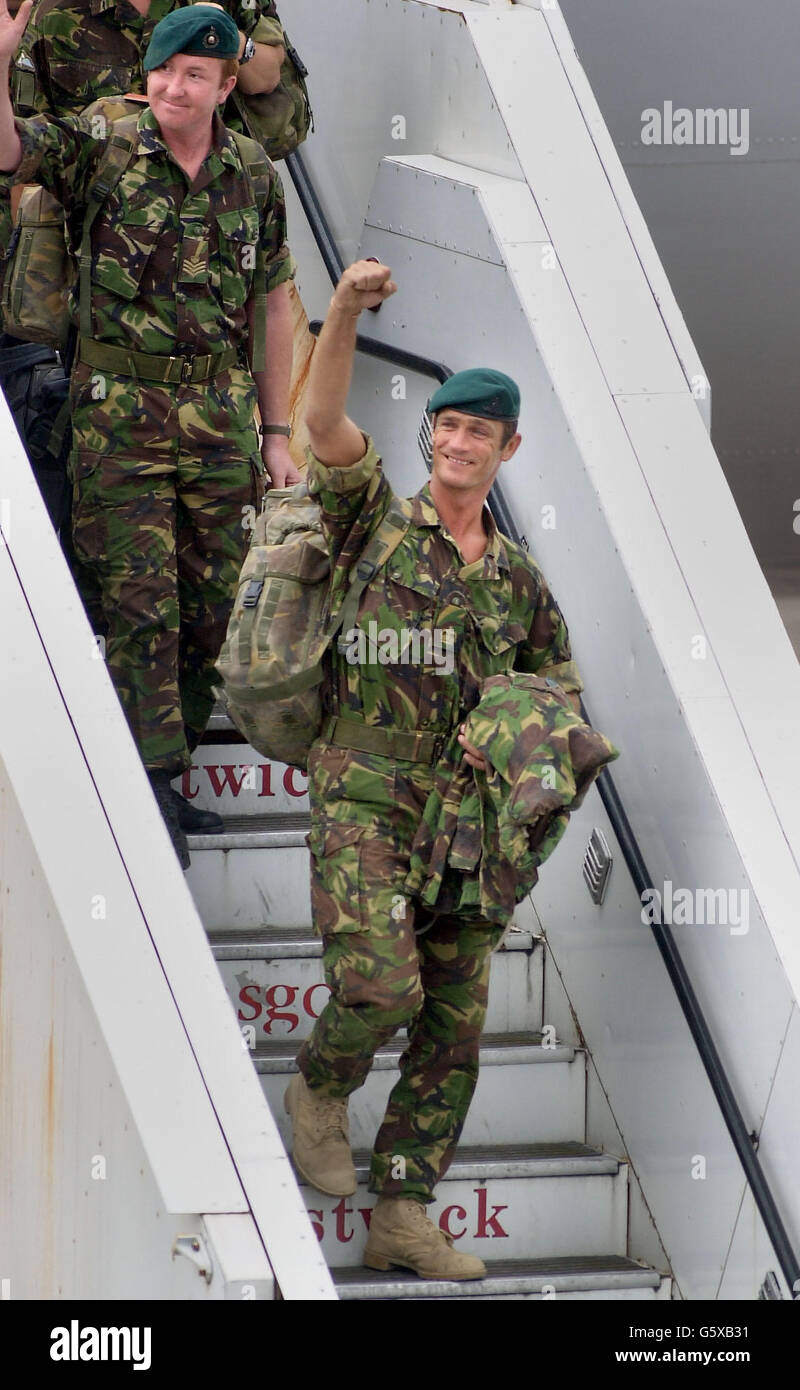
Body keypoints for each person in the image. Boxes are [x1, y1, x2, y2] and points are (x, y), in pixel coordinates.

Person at [284, 259, 584, 1280]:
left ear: (507, 448)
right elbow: (318, 422)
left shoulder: (517, 582)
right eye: (444, 428)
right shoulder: (372, 515)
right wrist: (344, 315)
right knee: (379, 984)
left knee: (452, 1025)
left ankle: (403, 1211)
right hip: (364, 791)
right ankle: (320, 1083)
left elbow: (561, 701)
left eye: (476, 433)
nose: (454, 444)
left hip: (466, 825)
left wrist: (514, 749)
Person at [0, 1, 300, 865]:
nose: (174, 87)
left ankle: (168, 772)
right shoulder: (105, 144)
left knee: (214, 607)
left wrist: (277, 434)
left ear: (223, 85)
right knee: (141, 607)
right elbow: (13, 150)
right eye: (164, 71)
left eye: (195, 75)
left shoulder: (252, 172)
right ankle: (150, 792)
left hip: (218, 421)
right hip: (118, 418)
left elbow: (272, 303)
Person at [11, 0, 286, 124]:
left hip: (204, 202)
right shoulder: (56, 13)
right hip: (97, 215)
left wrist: (228, 36)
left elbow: (268, 76)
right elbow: (29, 151)